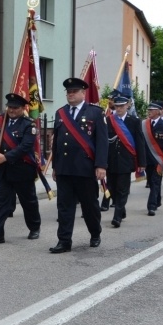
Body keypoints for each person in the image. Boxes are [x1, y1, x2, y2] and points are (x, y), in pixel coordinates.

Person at [50, 77, 108, 253]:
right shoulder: (60, 113)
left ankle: (95, 233)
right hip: (65, 169)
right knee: (64, 207)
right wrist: (55, 166)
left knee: (89, 205)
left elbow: (102, 142)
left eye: (74, 91)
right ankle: (64, 241)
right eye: (68, 92)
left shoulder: (95, 113)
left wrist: (101, 166)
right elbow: (56, 143)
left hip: (85, 168)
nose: (71, 94)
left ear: (83, 93)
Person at [0, 93, 41, 244]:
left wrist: (5, 157)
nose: (12, 110)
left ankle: (34, 227)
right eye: (10, 107)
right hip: (2, 171)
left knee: (28, 202)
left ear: (23, 108)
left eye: (15, 108)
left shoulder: (29, 124)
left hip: (22, 170)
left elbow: (25, 146)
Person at [105, 95, 146, 228]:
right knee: (112, 188)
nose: (119, 109)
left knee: (122, 189)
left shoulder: (134, 121)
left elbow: (140, 142)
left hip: (125, 160)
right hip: (111, 160)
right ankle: (121, 209)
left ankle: (117, 217)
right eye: (116, 106)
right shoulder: (108, 120)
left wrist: (142, 163)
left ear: (127, 105)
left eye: (121, 106)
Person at [142, 101, 163, 216]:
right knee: (151, 182)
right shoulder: (144, 124)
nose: (149, 112)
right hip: (147, 159)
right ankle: (157, 199)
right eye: (148, 110)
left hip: (159, 160)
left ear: (158, 111)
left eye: (151, 110)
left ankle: (151, 206)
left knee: (155, 182)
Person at [100, 90, 120, 212]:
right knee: (110, 178)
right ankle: (106, 201)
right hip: (108, 152)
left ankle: (116, 201)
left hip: (120, 153)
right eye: (109, 99)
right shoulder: (105, 115)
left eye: (112, 99)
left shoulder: (124, 116)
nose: (109, 101)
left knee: (117, 179)